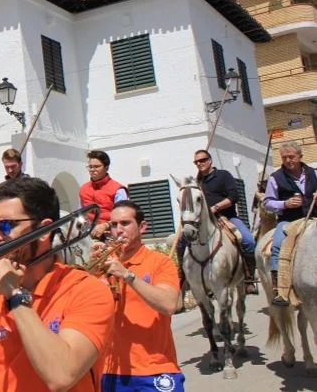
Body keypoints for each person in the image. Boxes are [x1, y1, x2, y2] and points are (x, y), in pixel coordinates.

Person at [0, 176, 115, 392]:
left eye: (6, 226)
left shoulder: (87, 290)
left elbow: (61, 376)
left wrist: (14, 295)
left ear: (44, 231)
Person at [93, 201, 184, 392]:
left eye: (125, 223)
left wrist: (127, 275)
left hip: (156, 368)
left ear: (142, 227)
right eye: (114, 225)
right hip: (110, 370)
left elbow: (169, 304)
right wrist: (93, 274)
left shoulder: (160, 262)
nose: (118, 230)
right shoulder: (104, 265)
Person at [176, 150, 257, 294]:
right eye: (196, 162)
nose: (199, 163)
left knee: (248, 241)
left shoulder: (224, 175)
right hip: (204, 222)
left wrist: (216, 207)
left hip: (228, 217)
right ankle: (185, 278)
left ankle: (249, 278)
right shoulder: (197, 182)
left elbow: (234, 196)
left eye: (202, 160)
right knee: (181, 242)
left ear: (210, 160)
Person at [262, 141, 317, 306]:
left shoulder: (313, 173)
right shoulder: (275, 178)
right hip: (289, 220)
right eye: (284, 157)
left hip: (313, 217)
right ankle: (280, 289)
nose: (288, 160)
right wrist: (285, 204)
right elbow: (267, 202)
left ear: (300, 157)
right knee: (277, 245)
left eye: (291, 157)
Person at [79, 150, 128, 239]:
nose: (92, 170)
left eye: (97, 167)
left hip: (113, 236)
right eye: (90, 167)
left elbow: (123, 216)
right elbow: (82, 214)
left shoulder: (118, 189)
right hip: (88, 236)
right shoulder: (83, 189)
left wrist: (106, 225)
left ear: (106, 168)